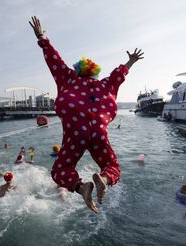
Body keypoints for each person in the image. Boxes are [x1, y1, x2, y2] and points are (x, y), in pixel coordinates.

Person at [30, 16, 144, 213]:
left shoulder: (68, 79)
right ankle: (105, 180)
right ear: (95, 73)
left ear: (78, 70)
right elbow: (118, 76)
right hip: (98, 131)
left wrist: (42, 37)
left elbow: (53, 59)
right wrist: (131, 61)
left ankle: (82, 188)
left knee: (60, 170)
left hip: (76, 132)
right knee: (111, 166)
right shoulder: (104, 85)